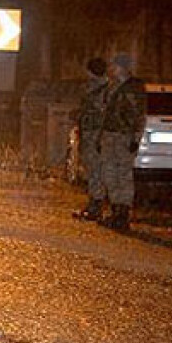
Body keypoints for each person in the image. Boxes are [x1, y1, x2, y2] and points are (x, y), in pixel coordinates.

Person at [95, 53, 147, 231]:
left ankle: (122, 212)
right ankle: (116, 209)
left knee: (123, 174)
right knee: (109, 173)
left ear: (123, 68)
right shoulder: (114, 87)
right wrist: (101, 137)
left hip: (123, 136)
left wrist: (135, 138)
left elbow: (138, 115)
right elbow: (105, 114)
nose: (112, 69)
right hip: (111, 135)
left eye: (115, 66)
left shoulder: (133, 88)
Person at [72, 57, 110, 221]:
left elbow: (101, 112)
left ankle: (96, 206)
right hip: (92, 133)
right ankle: (95, 204)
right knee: (93, 170)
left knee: (96, 171)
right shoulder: (100, 88)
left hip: (96, 135)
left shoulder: (103, 90)